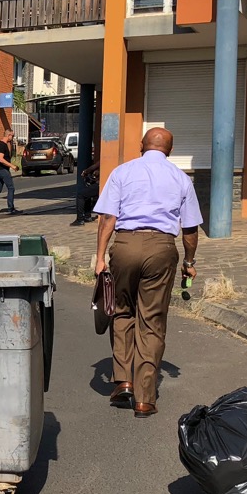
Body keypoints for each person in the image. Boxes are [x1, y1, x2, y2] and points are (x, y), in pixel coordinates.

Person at [93, 127, 202, 419]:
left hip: (125, 244)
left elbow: (107, 218)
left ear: (142, 145)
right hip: (162, 247)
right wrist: (189, 261)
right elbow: (190, 229)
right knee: (151, 320)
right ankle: (145, 398)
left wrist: (100, 257)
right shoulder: (181, 178)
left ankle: (123, 381)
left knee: (121, 310)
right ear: (170, 149)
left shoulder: (122, 172)